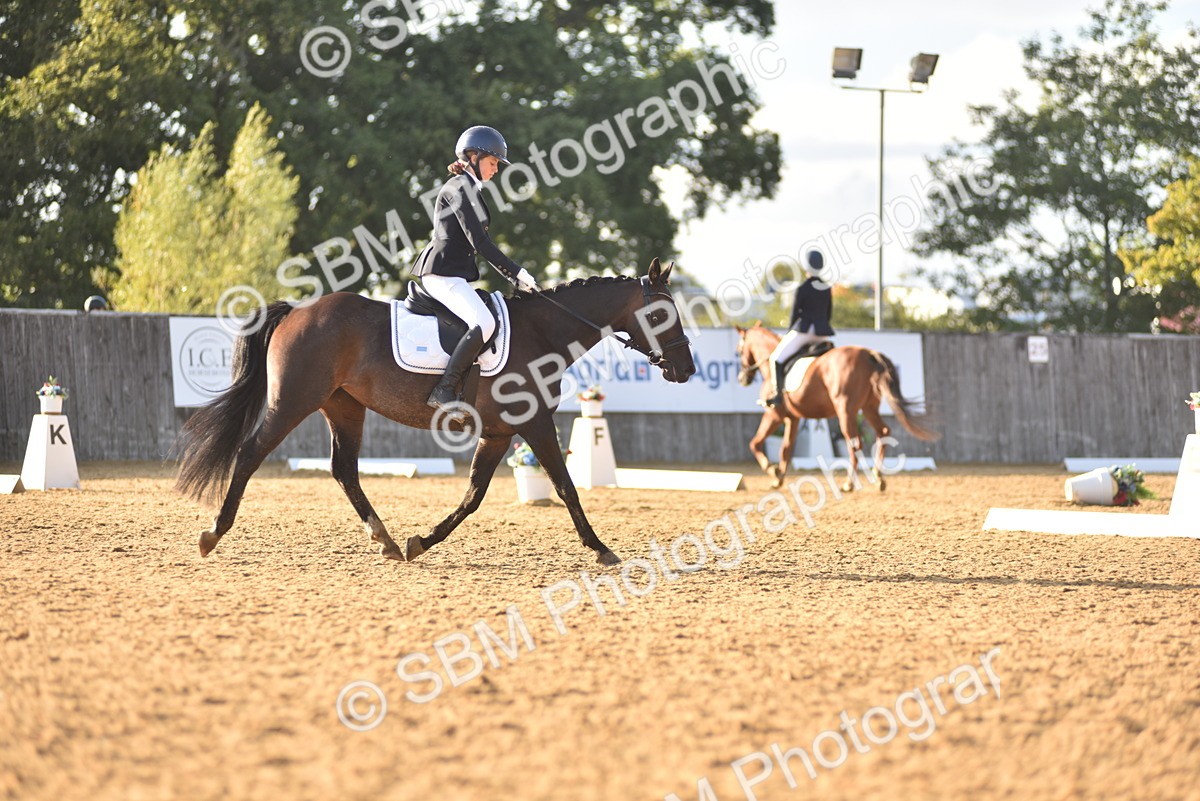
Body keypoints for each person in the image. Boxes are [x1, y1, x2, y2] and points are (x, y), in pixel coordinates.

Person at [411, 125, 541, 416]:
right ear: (474, 156)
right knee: (485, 323)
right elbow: (480, 242)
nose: (496, 170)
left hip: (453, 274)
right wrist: (516, 273)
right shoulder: (458, 188)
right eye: (493, 163)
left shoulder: (468, 188)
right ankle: (444, 389)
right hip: (441, 273)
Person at [764, 249, 834, 408]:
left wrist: (789, 332)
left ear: (806, 267)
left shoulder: (802, 288)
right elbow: (828, 313)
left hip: (805, 332)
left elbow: (795, 314)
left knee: (776, 358)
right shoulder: (827, 288)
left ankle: (777, 394)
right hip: (823, 334)